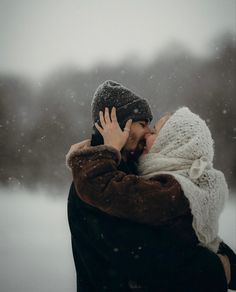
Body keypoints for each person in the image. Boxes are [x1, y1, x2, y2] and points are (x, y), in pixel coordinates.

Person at [67, 80, 235, 291]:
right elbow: (148, 259)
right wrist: (219, 268)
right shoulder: (91, 187)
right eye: (143, 124)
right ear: (121, 125)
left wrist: (229, 260)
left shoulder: (131, 173)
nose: (148, 132)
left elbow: (190, 232)